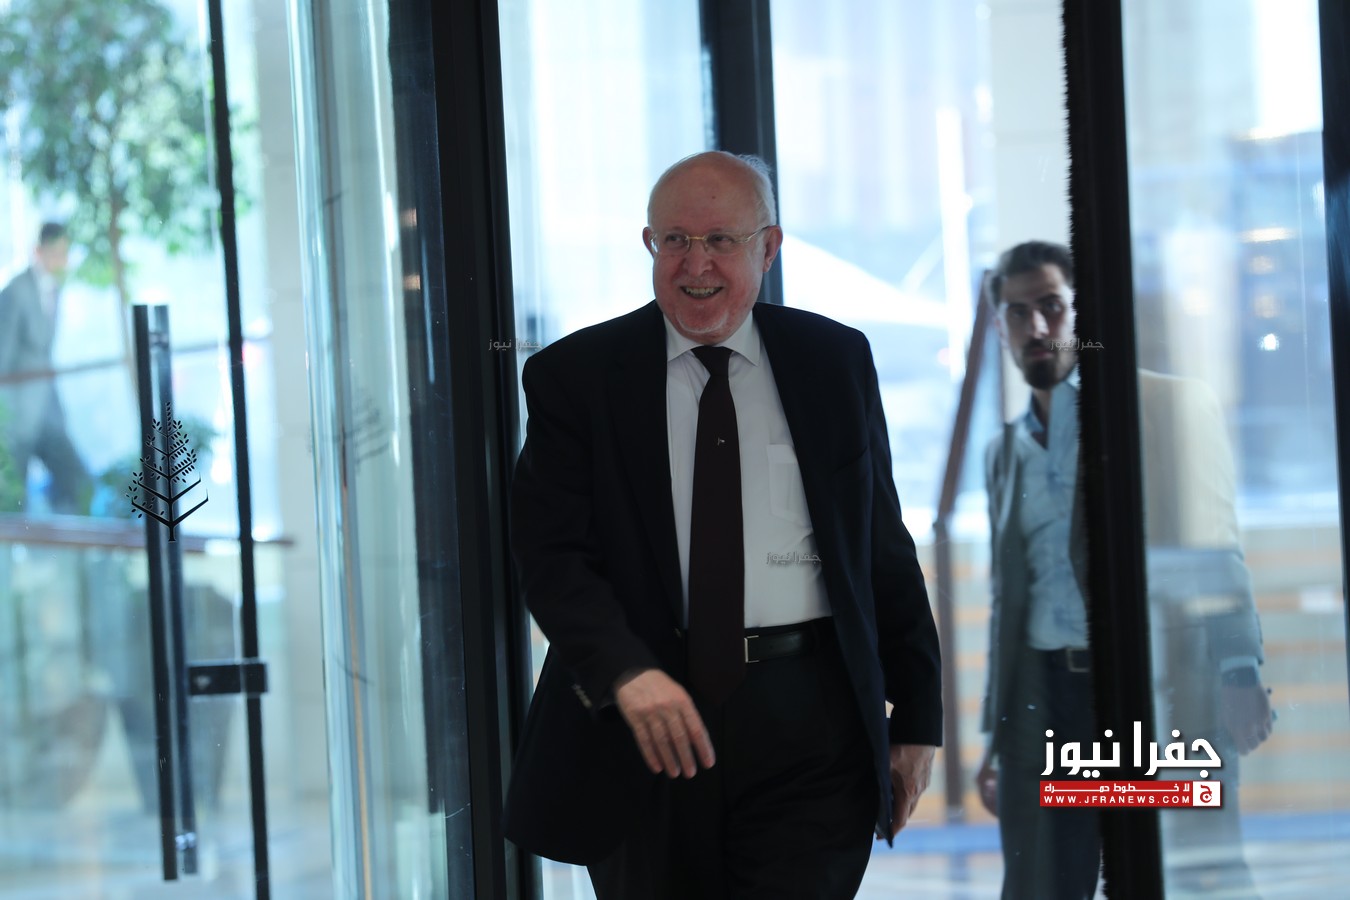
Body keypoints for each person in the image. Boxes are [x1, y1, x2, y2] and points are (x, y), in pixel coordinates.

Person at [503, 151, 943, 899]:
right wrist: (625, 672)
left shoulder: (833, 360)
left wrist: (919, 716)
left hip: (811, 718)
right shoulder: (576, 376)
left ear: (768, 248)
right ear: (649, 244)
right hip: (644, 723)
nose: (695, 264)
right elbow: (551, 556)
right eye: (674, 240)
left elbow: (878, 543)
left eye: (720, 241)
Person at [974, 240, 1273, 898]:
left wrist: (1239, 671)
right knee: (1042, 884)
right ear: (1002, 328)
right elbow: (1008, 602)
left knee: (1179, 876)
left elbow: (1212, 546)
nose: (1038, 326)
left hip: (1146, 688)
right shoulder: (1004, 453)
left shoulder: (1162, 407)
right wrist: (998, 736)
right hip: (1044, 702)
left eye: (1052, 306)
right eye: (1019, 313)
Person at [0, 222, 89, 514]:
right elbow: (3, 355)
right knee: (13, 499)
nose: (62, 260)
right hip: (18, 415)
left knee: (75, 480)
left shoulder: (55, 289)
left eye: (65, 253)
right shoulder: (15, 291)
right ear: (38, 251)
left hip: (47, 409)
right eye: (56, 253)